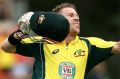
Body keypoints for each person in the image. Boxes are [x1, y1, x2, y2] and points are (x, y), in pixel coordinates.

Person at [1, 2, 120, 79]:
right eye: (71, 15)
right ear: (57, 20)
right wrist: (19, 34)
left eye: (77, 15)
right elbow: (6, 47)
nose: (77, 18)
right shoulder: (42, 42)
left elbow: (117, 47)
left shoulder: (89, 44)